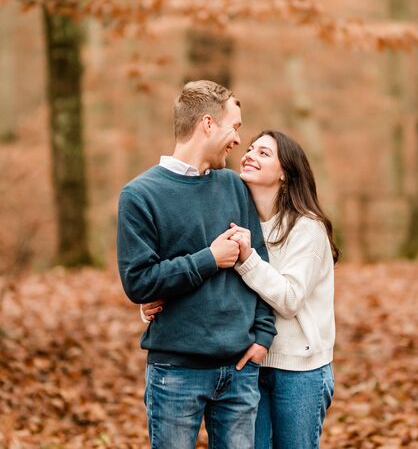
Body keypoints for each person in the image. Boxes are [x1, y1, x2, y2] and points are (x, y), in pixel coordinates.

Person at [145, 130, 338, 449]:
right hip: (248, 364)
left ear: (285, 175)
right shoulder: (235, 220)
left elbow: (289, 300)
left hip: (299, 372)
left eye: (264, 153)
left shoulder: (307, 229)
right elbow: (209, 276)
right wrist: (156, 301)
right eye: (250, 149)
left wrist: (247, 258)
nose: (249, 154)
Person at [116, 80, 276, 449]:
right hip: (176, 372)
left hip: (238, 370)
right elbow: (138, 282)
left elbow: (262, 263)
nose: (238, 139)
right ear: (207, 124)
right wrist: (209, 259)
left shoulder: (235, 186)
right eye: (234, 127)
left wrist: (263, 337)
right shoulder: (140, 195)